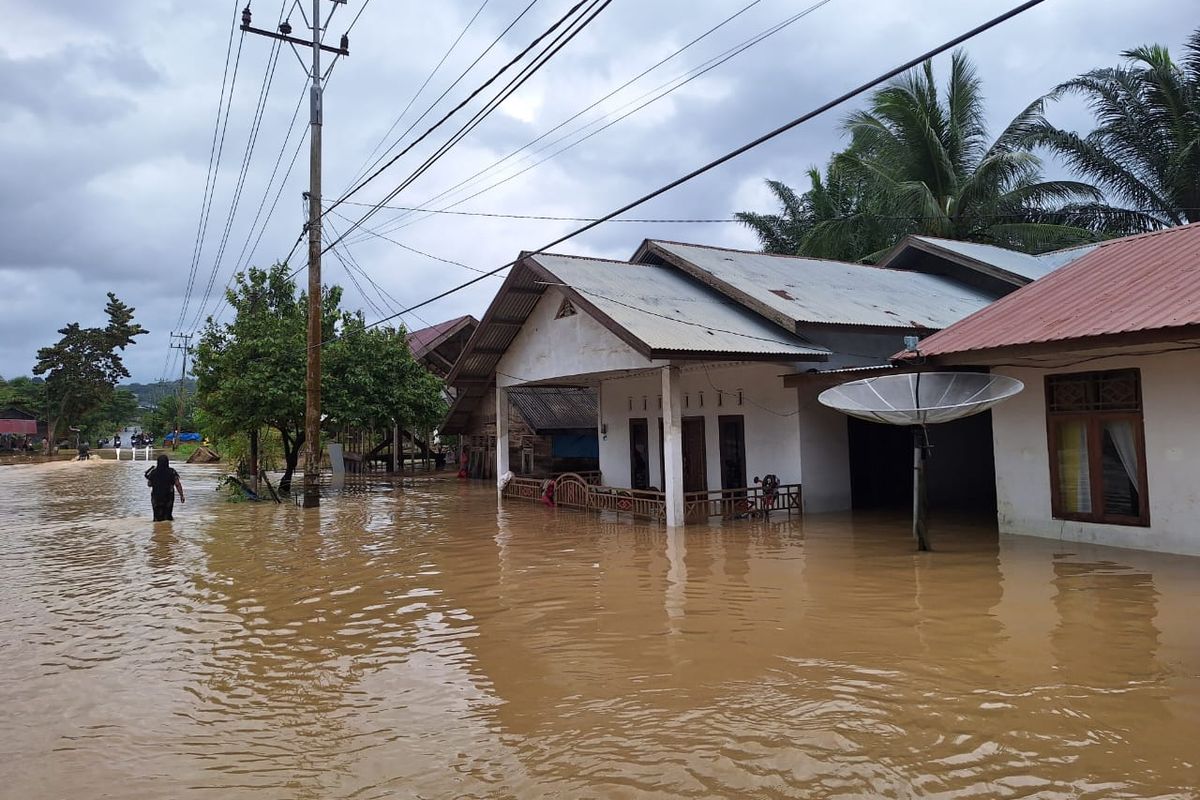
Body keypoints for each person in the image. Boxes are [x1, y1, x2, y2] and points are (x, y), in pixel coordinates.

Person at [145, 455, 185, 522]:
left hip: (156, 497)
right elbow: (177, 484)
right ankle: (168, 530)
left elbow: (149, 484)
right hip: (168, 497)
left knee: (157, 518)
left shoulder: (153, 472)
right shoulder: (172, 472)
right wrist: (181, 495)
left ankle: (157, 531)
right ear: (167, 462)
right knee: (168, 517)